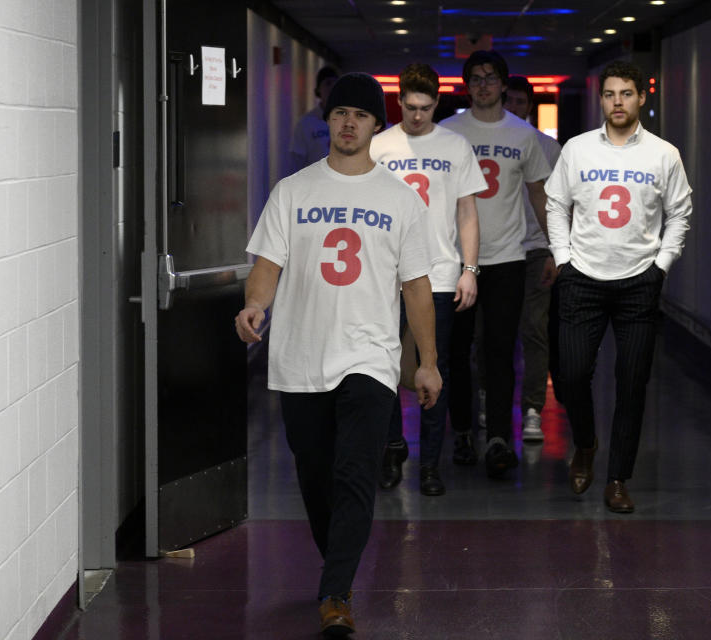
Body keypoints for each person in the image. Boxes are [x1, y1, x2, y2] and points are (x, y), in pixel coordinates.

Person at [235, 72, 442, 637]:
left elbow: (417, 286)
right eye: (339, 113)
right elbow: (267, 266)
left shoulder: (399, 200)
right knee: (315, 472)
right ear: (327, 121)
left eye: (361, 114)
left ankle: (335, 592)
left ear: (378, 124)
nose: (349, 122)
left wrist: (425, 361)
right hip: (300, 356)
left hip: (369, 357)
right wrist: (255, 305)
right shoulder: (293, 190)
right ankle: (338, 567)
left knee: (355, 472)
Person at [546, 60, 692, 513]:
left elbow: (680, 213)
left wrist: (661, 267)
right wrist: (564, 261)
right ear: (601, 99)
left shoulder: (663, 154)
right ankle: (586, 442)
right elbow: (556, 204)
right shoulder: (577, 149)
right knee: (570, 375)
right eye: (610, 94)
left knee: (631, 383)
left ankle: (617, 479)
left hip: (638, 284)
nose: (617, 102)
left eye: (626, 93)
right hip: (581, 279)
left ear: (641, 97)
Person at [370, 63, 486, 496]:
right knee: (382, 368)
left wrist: (469, 270)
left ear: (437, 102)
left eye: (425, 107)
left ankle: (431, 466)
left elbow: (467, 213)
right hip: (384, 276)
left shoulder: (456, 146)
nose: (417, 115)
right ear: (399, 100)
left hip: (437, 274)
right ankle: (394, 445)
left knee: (434, 367)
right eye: (410, 106)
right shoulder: (379, 146)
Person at [440, 50, 552, 479]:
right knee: (457, 351)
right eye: (476, 78)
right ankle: (464, 431)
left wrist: (556, 247)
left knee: (501, 351)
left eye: (490, 77)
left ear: (504, 84)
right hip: (454, 260)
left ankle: (500, 438)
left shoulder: (524, 135)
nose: (483, 84)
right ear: (466, 85)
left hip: (507, 258)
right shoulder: (449, 132)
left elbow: (539, 195)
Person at [504, 75, 561, 443]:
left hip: (536, 248)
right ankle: (487, 398)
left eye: (520, 102)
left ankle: (533, 409)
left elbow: (559, 203)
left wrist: (557, 250)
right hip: (497, 249)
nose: (514, 108)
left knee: (535, 331)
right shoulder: (483, 144)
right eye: (508, 101)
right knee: (489, 333)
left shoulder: (549, 148)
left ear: (530, 106)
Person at [288, 66, 339, 174]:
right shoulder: (306, 124)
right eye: (328, 83)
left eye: (335, 84)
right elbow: (297, 162)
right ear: (318, 89)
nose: (332, 88)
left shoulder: (348, 120)